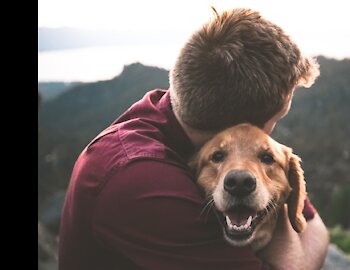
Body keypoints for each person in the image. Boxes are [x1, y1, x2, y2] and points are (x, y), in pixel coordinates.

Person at [58, 7, 329, 270]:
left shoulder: (175, 113)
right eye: (277, 118)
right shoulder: (143, 182)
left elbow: (315, 227)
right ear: (241, 126)